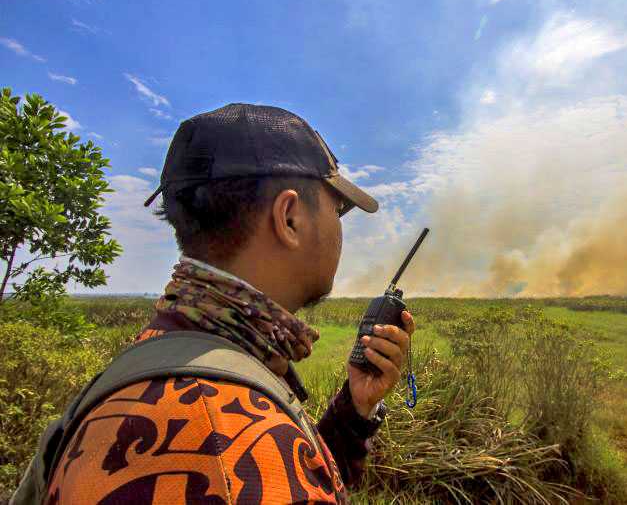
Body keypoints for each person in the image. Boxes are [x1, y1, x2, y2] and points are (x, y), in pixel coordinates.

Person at [46, 104, 416, 504]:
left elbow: (294, 470)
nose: (341, 227)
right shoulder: (222, 441)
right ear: (289, 217)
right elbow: (257, 470)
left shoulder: (165, 349)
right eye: (338, 208)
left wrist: (355, 410)